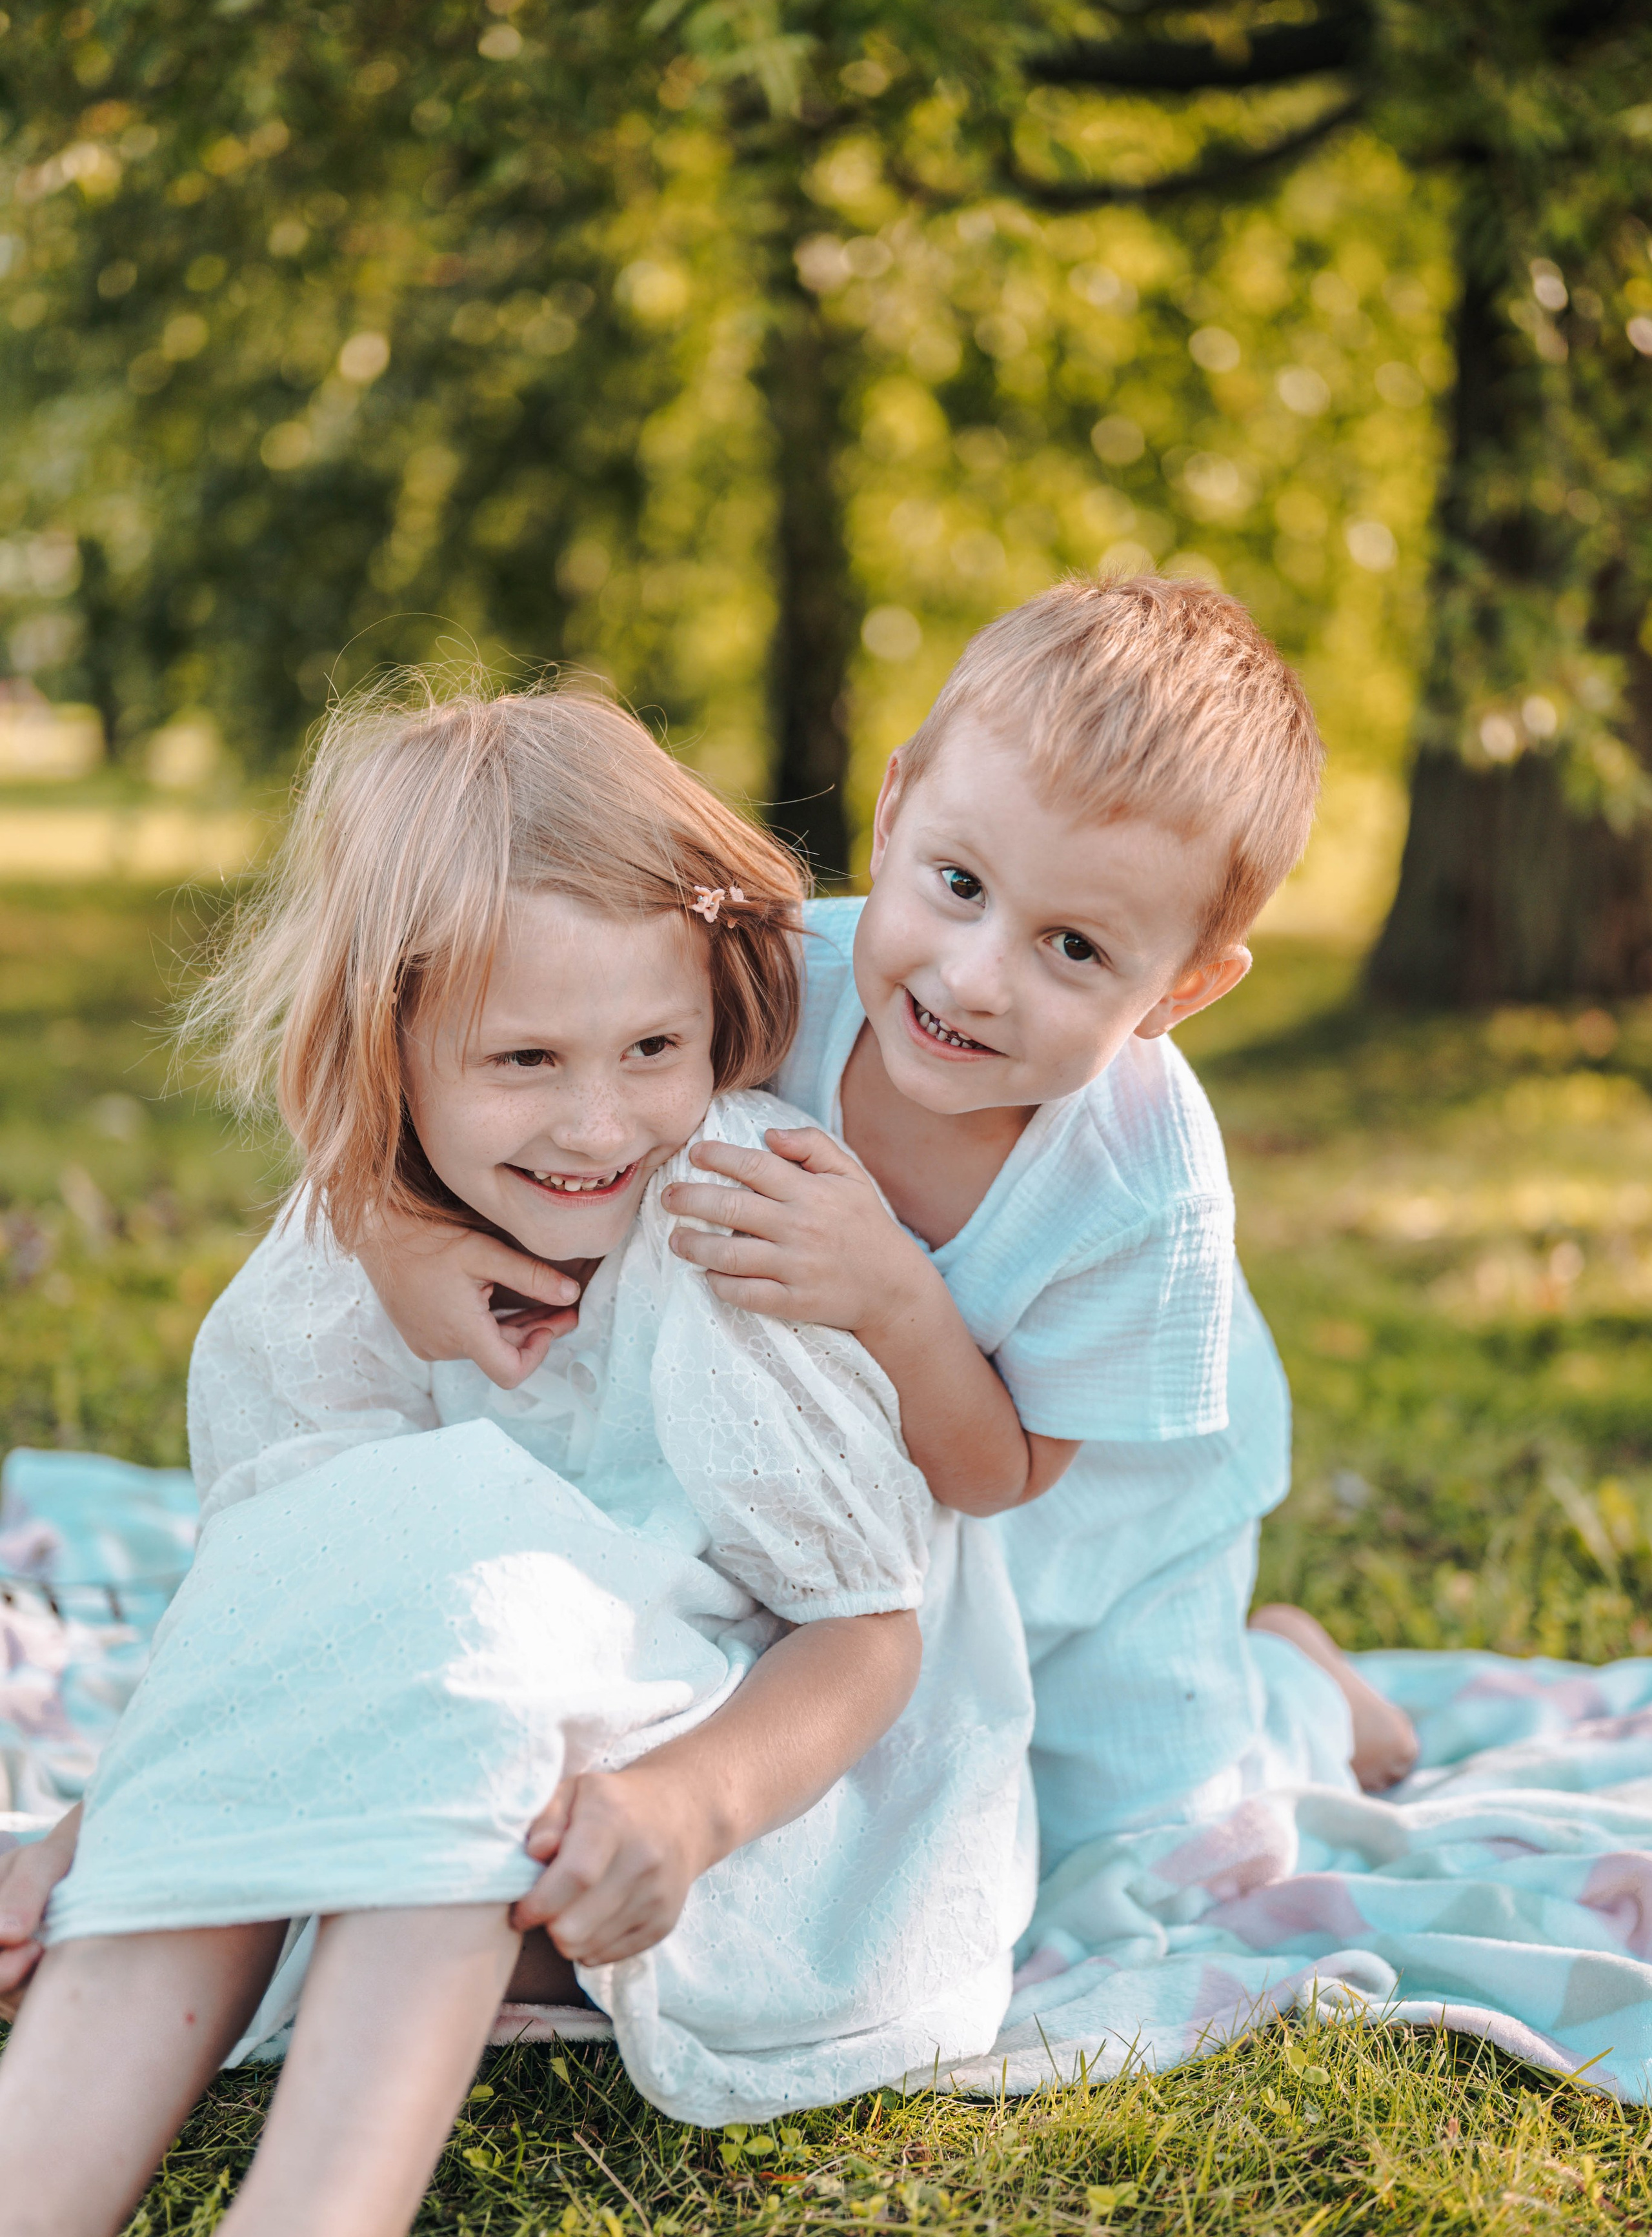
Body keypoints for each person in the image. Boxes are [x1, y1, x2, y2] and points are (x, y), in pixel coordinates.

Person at [0, 687, 1033, 2237]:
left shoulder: (727, 1223)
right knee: (386, 1554)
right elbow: (271, 1622)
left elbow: (870, 1630)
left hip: (740, 1819)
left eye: (654, 1048)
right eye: (524, 1061)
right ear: (389, 1050)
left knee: (467, 1575)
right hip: (442, 1796)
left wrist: (691, 1808)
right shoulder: (341, 1258)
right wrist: (106, 1838)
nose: (598, 1124)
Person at [348, 578, 1419, 1898]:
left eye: (1073, 947)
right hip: (843, 1487)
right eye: (957, 883)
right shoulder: (779, 980)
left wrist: (894, 1298)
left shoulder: (1142, 1185)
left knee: (1145, 1845)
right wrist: (396, 1227)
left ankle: (1305, 1690)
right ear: (892, 807)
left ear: (1181, 988)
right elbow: (552, 1115)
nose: (973, 975)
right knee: (850, 1766)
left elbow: (1002, 1474)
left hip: (1094, 1514)